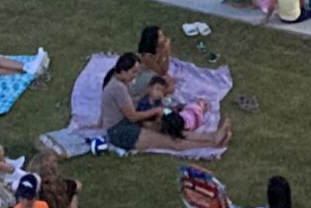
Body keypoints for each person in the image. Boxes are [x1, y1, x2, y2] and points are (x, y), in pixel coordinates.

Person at [94, 51, 231, 152]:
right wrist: (156, 110)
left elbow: (113, 104)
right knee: (171, 142)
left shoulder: (117, 79)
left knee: (171, 130)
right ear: (123, 70)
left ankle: (213, 136)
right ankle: (213, 144)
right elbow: (132, 116)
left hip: (128, 123)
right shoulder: (118, 88)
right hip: (121, 132)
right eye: (133, 72)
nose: (135, 76)